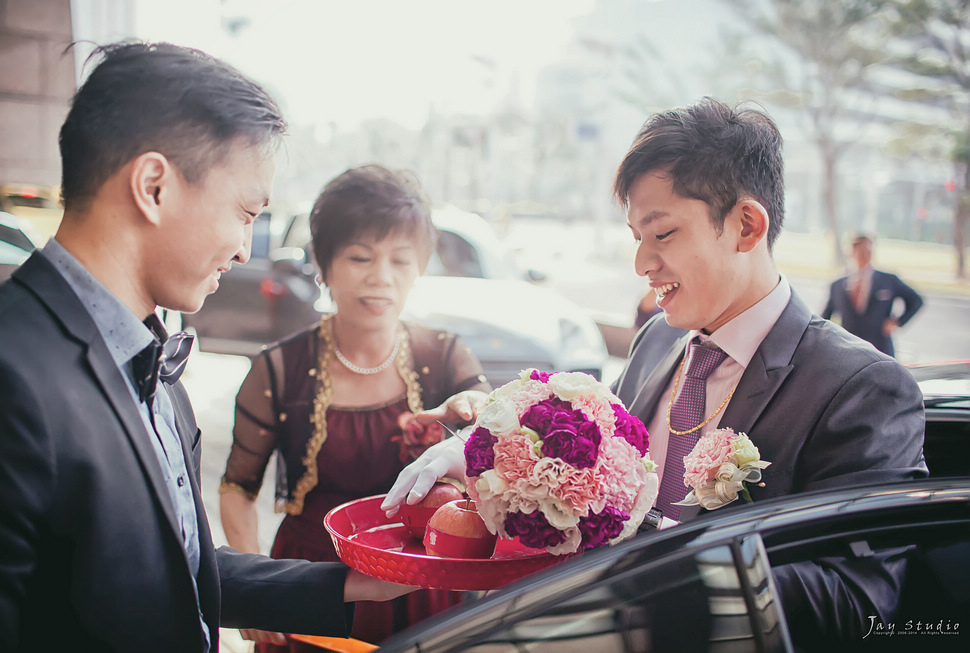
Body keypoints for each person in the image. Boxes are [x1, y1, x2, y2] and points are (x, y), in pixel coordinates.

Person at [383, 98, 927, 647]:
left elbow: (859, 604)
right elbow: (591, 472)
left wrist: (653, 540)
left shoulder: (860, 389)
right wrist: (490, 455)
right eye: (636, 237)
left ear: (745, 225)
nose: (642, 263)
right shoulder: (657, 341)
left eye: (662, 234)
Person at [0, 42, 413, 653]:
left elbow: (178, 569)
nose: (246, 250)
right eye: (246, 212)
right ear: (154, 186)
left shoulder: (149, 358)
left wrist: (354, 582)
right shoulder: (14, 375)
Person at [219, 164, 492, 649]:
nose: (381, 278)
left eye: (401, 261)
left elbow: (493, 446)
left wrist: (480, 422)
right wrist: (256, 596)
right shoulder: (279, 369)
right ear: (324, 266)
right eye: (361, 257)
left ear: (420, 269)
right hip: (309, 582)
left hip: (420, 584)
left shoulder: (443, 357)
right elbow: (238, 488)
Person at [821, 233, 924, 357]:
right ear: (851, 252)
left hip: (880, 349)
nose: (866, 254)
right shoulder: (837, 285)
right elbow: (825, 318)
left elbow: (916, 301)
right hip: (849, 351)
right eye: (861, 250)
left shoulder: (888, 280)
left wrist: (897, 322)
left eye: (869, 250)